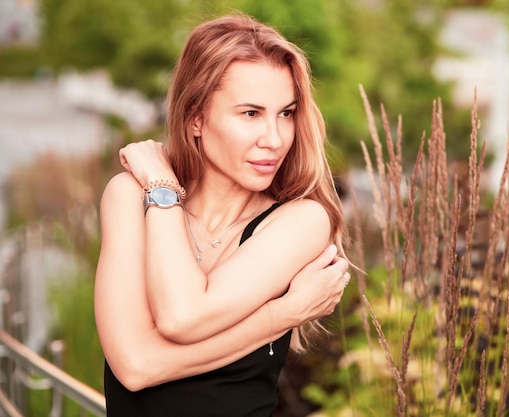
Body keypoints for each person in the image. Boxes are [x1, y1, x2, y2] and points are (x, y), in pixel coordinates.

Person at [94, 12, 351, 417]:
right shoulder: (127, 196)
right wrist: (284, 313)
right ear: (196, 117)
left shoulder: (302, 221)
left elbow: (180, 317)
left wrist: (160, 190)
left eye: (286, 113)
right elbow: (135, 367)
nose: (275, 138)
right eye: (251, 114)